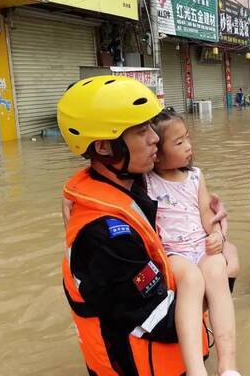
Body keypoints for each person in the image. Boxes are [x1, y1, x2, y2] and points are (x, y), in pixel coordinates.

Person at [57, 75, 210, 376]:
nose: (155, 138)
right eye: (141, 132)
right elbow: (158, 319)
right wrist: (218, 281)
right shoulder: (105, 235)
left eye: (151, 127)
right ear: (104, 147)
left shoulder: (129, 188)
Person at [145, 110, 240, 376]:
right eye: (178, 142)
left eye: (187, 138)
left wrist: (217, 237)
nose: (188, 146)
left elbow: (206, 215)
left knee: (217, 272)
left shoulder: (196, 176)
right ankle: (197, 370)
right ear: (157, 152)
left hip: (201, 245)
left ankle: (228, 365)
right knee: (192, 279)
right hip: (172, 253)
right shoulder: (147, 182)